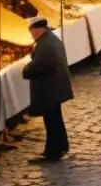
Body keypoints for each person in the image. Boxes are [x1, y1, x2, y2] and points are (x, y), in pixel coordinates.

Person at [22, 17, 74, 162]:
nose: (31, 35)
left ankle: (52, 152)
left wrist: (26, 69)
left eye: (31, 32)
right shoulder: (52, 39)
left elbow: (38, 66)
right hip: (55, 88)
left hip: (49, 90)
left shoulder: (45, 45)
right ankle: (61, 146)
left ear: (38, 29)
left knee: (51, 121)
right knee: (56, 119)